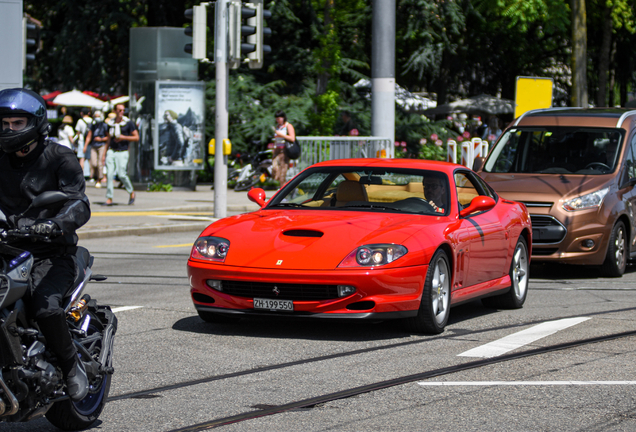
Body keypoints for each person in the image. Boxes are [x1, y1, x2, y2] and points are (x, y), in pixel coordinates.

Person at [0, 88, 90, 401]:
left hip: (52, 251)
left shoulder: (59, 156)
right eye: (4, 123)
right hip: (9, 249)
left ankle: (70, 366)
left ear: (35, 123)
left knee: (44, 307)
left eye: (16, 122)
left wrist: (54, 224)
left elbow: (79, 203)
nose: (8, 129)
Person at [104, 103, 138, 206]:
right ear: (115, 111)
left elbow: (136, 137)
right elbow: (108, 139)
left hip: (122, 151)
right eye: (119, 110)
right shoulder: (110, 123)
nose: (121, 112)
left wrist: (124, 137)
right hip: (112, 150)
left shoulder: (128, 123)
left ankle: (131, 191)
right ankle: (109, 198)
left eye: (123, 110)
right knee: (109, 174)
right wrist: (104, 153)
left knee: (121, 174)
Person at [84, 110, 109, 188]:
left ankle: (99, 179)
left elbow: (108, 137)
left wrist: (101, 139)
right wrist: (85, 146)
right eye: (96, 116)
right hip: (94, 145)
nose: (97, 118)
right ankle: (95, 176)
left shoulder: (104, 125)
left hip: (101, 145)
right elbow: (89, 135)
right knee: (93, 163)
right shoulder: (92, 125)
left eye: (98, 116)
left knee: (100, 163)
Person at [271, 110, 296, 184]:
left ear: (283, 118)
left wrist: (281, 135)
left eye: (279, 118)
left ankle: (284, 191)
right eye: (277, 118)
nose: (278, 120)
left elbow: (292, 138)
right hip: (277, 151)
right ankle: (282, 185)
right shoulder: (278, 127)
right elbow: (276, 139)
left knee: (283, 174)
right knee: (274, 167)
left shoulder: (288, 126)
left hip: (284, 151)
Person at [74, 108, 92, 177]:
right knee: (90, 159)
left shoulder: (80, 121)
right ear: (89, 113)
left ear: (82, 113)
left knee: (82, 158)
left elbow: (78, 132)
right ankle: (91, 175)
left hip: (81, 141)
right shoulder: (92, 120)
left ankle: (81, 175)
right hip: (90, 142)